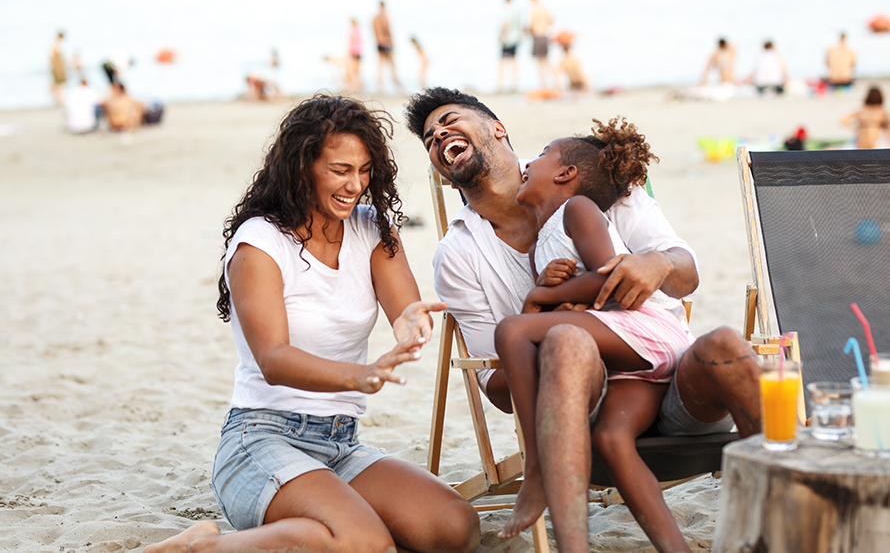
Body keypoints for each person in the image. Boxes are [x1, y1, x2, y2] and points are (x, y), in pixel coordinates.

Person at [404, 87, 761, 553]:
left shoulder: (589, 185)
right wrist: (550, 325)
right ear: (445, 175)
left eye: (449, 120)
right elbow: (493, 385)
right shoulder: (458, 255)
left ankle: (795, 503)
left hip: (676, 384)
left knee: (726, 344)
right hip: (589, 413)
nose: (439, 135)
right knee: (568, 343)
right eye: (429, 138)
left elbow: (681, 275)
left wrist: (659, 263)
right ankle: (546, 480)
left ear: (497, 128)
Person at [146, 95, 480, 553]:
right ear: (303, 166)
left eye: (364, 170)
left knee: (453, 529)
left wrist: (409, 323)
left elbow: (404, 308)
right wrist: (358, 375)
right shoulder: (260, 243)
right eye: (340, 170)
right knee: (366, 543)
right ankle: (204, 546)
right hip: (260, 441)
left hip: (340, 444)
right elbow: (273, 360)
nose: (355, 184)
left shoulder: (372, 228)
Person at [496, 120, 698, 552]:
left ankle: (536, 471)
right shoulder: (541, 242)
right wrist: (548, 297)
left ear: (566, 175)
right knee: (613, 441)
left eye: (542, 153)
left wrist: (541, 296)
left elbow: (611, 283)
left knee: (512, 330)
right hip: (634, 366)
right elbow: (570, 306)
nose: (527, 163)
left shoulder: (578, 210)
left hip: (648, 329)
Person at [528, 0, 557, 89]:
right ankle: (556, 82)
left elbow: (531, 24)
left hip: (537, 35)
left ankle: (544, 84)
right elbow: (551, 20)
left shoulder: (533, 8)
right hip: (544, 35)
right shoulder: (544, 7)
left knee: (539, 62)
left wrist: (530, 31)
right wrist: (545, 27)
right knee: (547, 61)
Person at [373, 0, 403, 94]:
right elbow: (388, 30)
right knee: (392, 66)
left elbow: (375, 32)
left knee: (380, 65)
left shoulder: (375, 18)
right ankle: (397, 86)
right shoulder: (385, 17)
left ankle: (380, 87)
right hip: (386, 42)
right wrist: (391, 43)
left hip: (379, 42)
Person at [497, 0, 522, 93]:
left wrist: (501, 35)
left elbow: (505, 24)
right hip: (515, 38)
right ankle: (515, 84)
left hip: (507, 39)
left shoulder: (507, 10)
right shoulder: (517, 10)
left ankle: (501, 85)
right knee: (513, 61)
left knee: (502, 62)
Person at [50, 31, 67, 106]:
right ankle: (58, 100)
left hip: (58, 66)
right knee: (58, 84)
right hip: (58, 67)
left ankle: (59, 100)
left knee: (58, 84)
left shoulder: (56, 44)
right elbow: (53, 57)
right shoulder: (56, 45)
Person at [346, 18, 363, 93]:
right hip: (358, 52)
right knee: (356, 71)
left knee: (352, 70)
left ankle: (355, 86)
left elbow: (352, 42)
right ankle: (357, 86)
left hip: (354, 52)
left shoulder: (354, 30)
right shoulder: (359, 30)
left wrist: (350, 51)